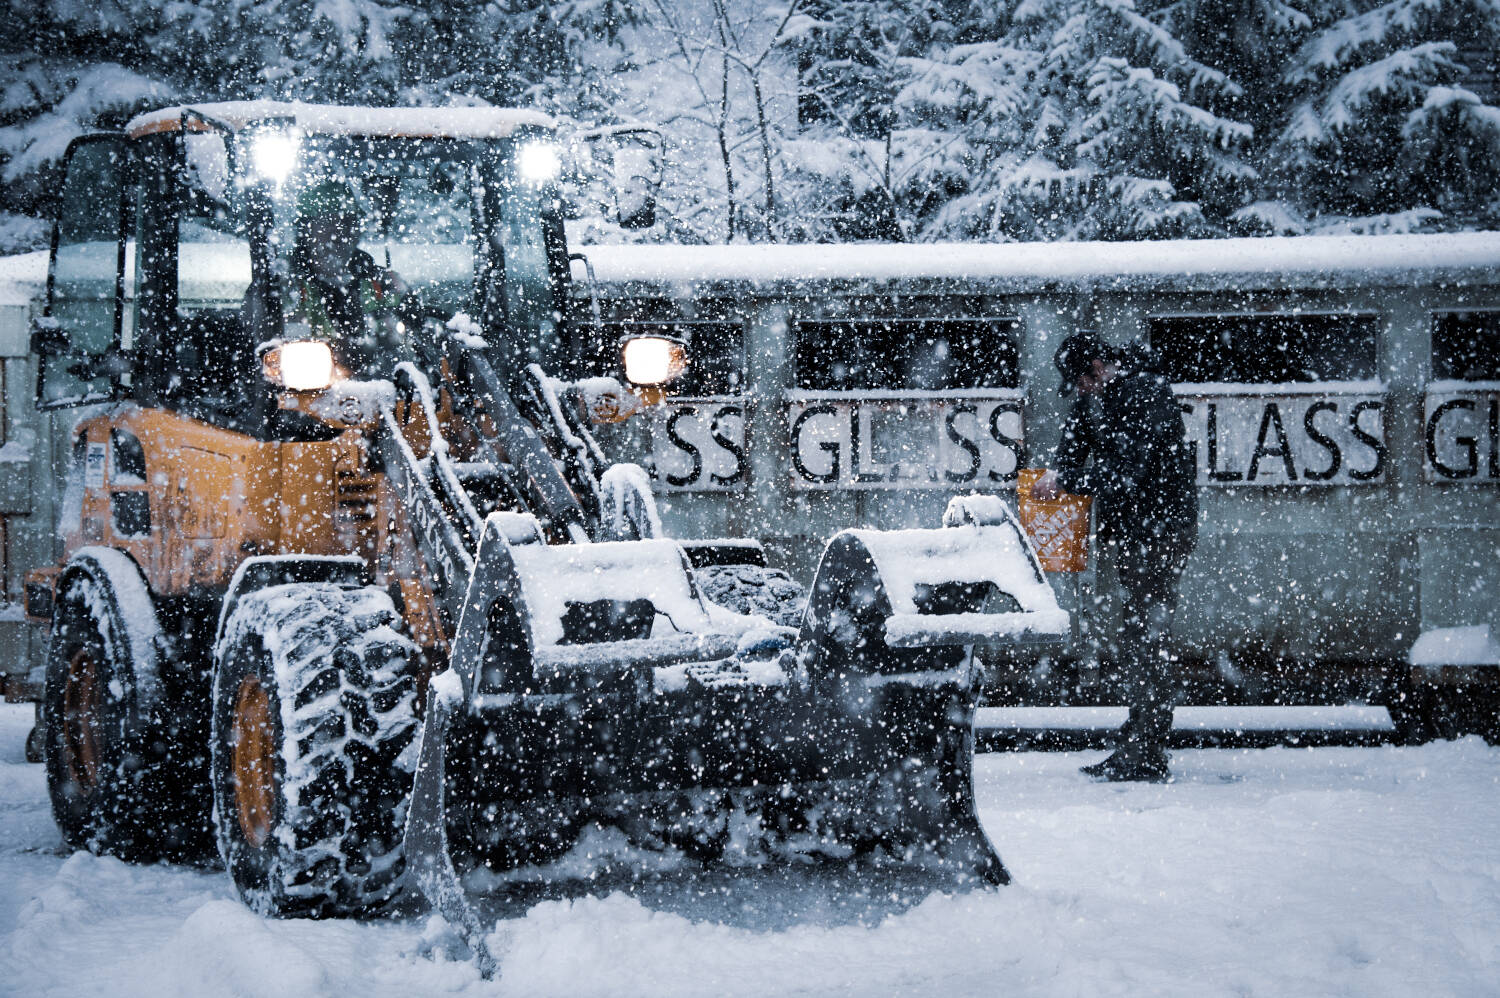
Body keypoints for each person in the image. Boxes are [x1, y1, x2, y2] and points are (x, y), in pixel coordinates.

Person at [1032, 332, 1197, 782]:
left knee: (1145, 634)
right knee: (1139, 632)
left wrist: (1066, 483)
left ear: (1099, 366)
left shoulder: (1146, 394)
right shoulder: (1099, 396)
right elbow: (1078, 440)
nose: (1080, 391)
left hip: (1160, 532)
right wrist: (1061, 469)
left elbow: (1129, 471)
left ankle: (1146, 747)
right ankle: (1140, 738)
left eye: (1082, 381)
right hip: (1137, 532)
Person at [284, 178, 407, 373]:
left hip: (382, 390)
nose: (337, 232)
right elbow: (261, 352)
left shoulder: (384, 283)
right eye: (326, 223)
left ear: (356, 230)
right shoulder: (279, 287)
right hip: (302, 397)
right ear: (306, 231)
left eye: (346, 222)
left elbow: (408, 342)